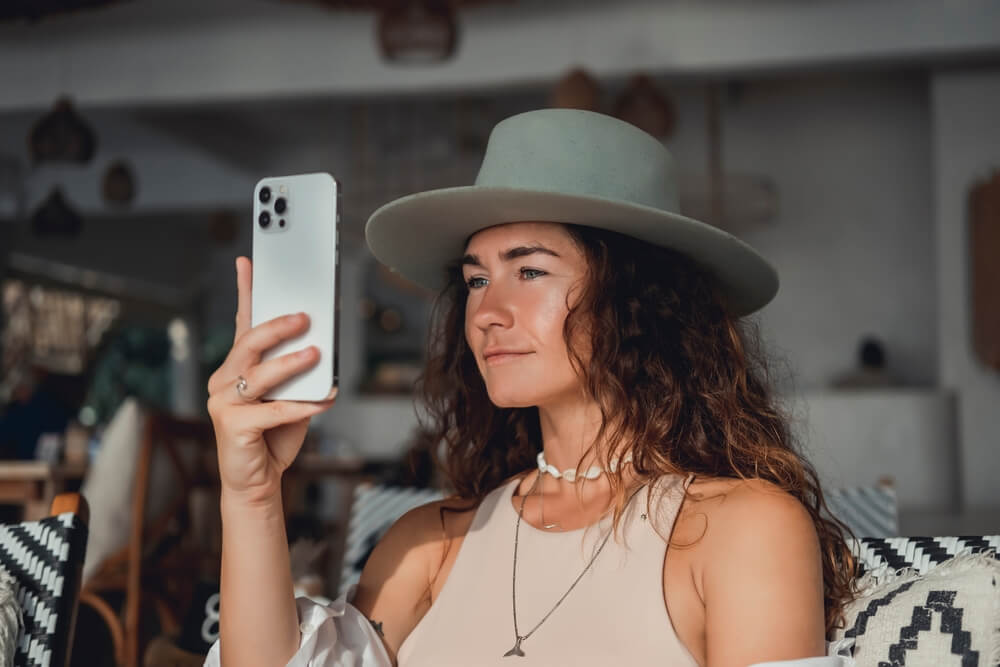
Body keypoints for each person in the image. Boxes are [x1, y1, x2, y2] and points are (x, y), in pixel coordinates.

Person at [204, 109, 858, 666]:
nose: (487, 311)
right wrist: (251, 492)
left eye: (531, 270)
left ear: (638, 300)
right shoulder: (428, 544)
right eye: (478, 279)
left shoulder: (745, 530)